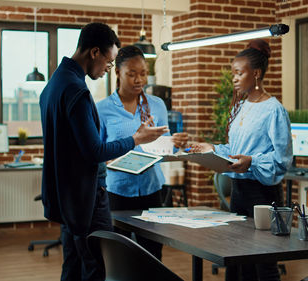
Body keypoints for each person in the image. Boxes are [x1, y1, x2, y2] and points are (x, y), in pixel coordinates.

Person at [39, 23, 169, 281]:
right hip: (85, 197)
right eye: (109, 63)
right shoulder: (76, 90)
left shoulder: (54, 84)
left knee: (74, 265)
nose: (107, 69)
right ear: (95, 53)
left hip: (68, 194)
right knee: (98, 268)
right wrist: (136, 138)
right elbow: (94, 150)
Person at [190, 39, 293, 281]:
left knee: (264, 263)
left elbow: (282, 159)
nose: (234, 78)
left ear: (255, 73)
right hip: (239, 192)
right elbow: (236, 149)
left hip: (262, 195)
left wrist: (253, 162)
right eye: (233, 74)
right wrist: (211, 147)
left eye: (238, 73)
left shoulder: (274, 110)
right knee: (236, 261)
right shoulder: (242, 107)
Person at [96, 45, 188, 260]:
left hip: (152, 189)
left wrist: (176, 142)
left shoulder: (157, 105)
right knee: (119, 256)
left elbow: (165, 146)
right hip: (117, 191)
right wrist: (110, 161)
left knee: (152, 254)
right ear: (118, 73)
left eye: (143, 73)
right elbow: (97, 152)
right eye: (132, 74)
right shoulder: (102, 109)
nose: (139, 80)